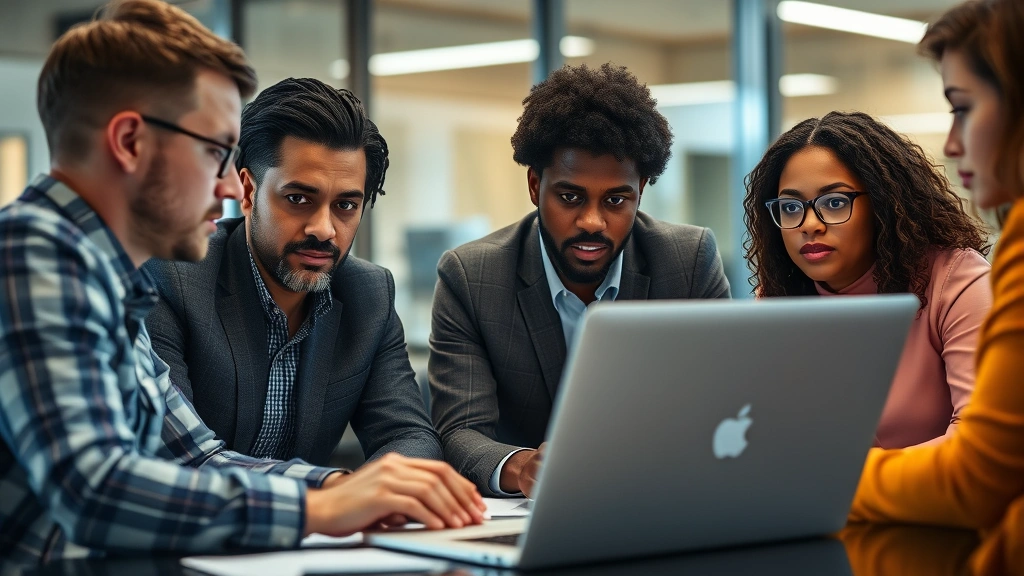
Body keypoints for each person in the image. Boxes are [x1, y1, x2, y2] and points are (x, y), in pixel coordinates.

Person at [0, 2, 482, 573]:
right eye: (213, 151)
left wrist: (345, 493)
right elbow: (96, 490)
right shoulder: (32, 254)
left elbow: (192, 456)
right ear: (130, 141)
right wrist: (317, 507)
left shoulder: (102, 275)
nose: (230, 183)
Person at [429, 63, 731, 498]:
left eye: (616, 199)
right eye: (570, 197)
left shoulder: (687, 262)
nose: (592, 221)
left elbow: (723, 403)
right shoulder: (472, 277)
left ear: (641, 191)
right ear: (535, 185)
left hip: (665, 497)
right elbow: (460, 432)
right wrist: (523, 468)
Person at [144, 78, 442, 467]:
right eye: (299, 199)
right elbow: (182, 461)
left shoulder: (369, 294)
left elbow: (408, 434)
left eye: (346, 206)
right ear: (248, 191)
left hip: (315, 527)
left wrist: (391, 489)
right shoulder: (174, 278)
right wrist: (335, 493)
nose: (324, 228)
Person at [843, 0, 1024, 573]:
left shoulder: (967, 270)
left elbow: (979, 477)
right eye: (789, 207)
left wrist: (815, 476)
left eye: (962, 109)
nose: (951, 143)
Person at [743, 110, 992, 449]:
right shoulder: (777, 298)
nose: (809, 224)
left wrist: (851, 476)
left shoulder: (955, 280)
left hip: (933, 500)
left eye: (834, 202)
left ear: (883, 204)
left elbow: (979, 440)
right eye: (790, 207)